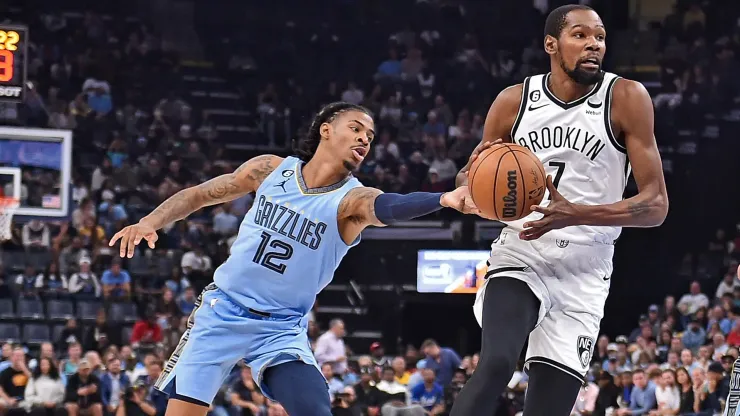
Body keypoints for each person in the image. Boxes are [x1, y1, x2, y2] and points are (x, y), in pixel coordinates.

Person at [109, 102, 478, 416]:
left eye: (370, 134)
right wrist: (149, 222)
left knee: (315, 408)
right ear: (326, 130)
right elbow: (201, 194)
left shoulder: (351, 201)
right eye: (356, 127)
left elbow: (390, 205)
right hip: (222, 311)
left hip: (280, 328)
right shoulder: (271, 169)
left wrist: (442, 199)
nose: (365, 138)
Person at [450, 5, 669, 416]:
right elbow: (473, 171)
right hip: (523, 248)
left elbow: (655, 205)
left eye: (600, 37)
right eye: (581, 35)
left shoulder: (626, 97)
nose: (594, 45)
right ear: (551, 44)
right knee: (497, 363)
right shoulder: (513, 101)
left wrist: (575, 213)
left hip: (586, 267)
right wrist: (468, 187)